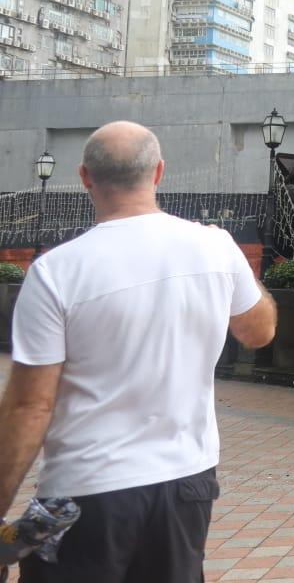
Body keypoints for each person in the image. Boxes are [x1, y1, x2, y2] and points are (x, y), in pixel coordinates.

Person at [0, 121, 277, 582]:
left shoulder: (55, 272)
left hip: (85, 493)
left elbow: (31, 405)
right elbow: (259, 330)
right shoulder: (214, 247)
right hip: (188, 484)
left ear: (85, 177)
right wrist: (234, 272)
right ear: (159, 173)